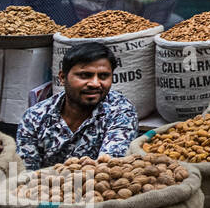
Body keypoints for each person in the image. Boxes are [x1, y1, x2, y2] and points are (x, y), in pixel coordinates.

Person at [16, 42, 139, 171]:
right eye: (85, 75)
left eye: (103, 76)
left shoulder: (121, 112)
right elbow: (27, 172)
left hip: (95, 188)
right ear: (63, 78)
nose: (95, 83)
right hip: (44, 187)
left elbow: (108, 169)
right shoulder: (34, 117)